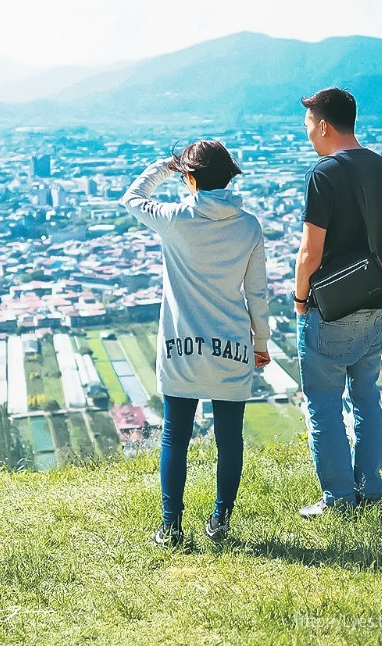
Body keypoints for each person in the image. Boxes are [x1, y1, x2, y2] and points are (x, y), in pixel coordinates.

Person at [119, 139, 271, 547]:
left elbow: (132, 197)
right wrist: (262, 341)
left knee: (175, 435)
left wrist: (165, 166)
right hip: (233, 345)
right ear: (229, 177)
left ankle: (171, 526)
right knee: (230, 438)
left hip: (180, 346)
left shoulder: (174, 218)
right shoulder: (249, 225)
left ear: (190, 178)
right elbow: (257, 293)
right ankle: (220, 520)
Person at [294, 88, 382, 519]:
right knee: (366, 396)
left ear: (323, 125)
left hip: (329, 309)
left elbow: (310, 253)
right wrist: (367, 280)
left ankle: (339, 499)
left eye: (308, 127)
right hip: (373, 301)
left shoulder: (325, 174)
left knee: (323, 402)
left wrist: (301, 298)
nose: (308, 135)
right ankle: (370, 490)